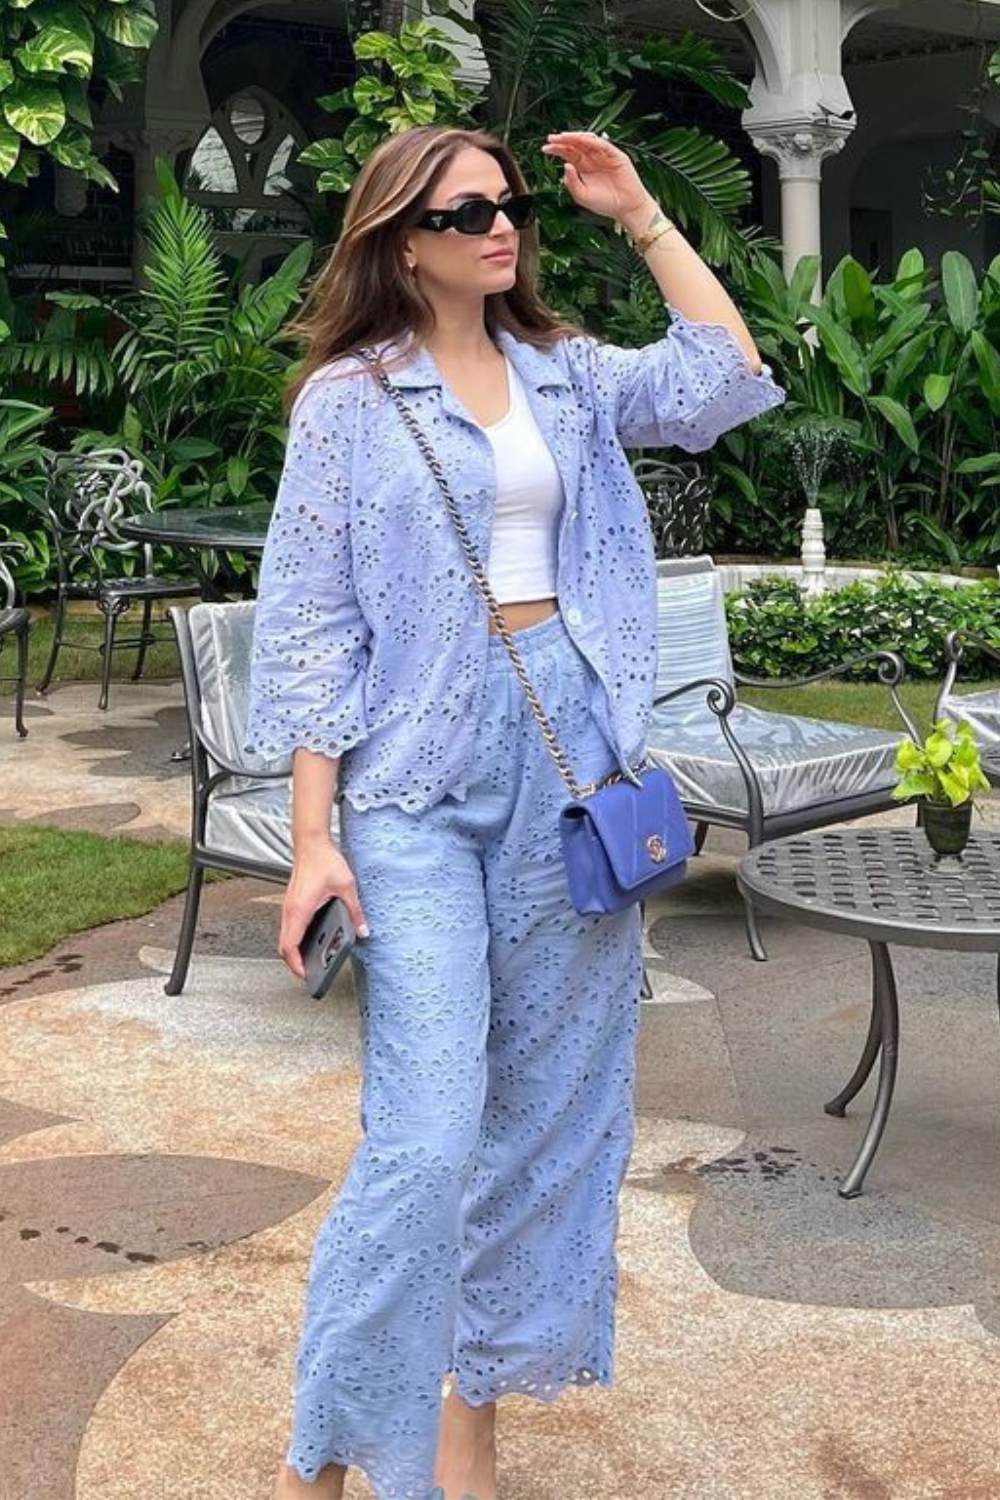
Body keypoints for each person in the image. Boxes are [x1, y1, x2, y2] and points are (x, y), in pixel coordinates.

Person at [247, 123, 783, 1500]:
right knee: (424, 1139)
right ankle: (330, 1452)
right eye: (466, 211)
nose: (502, 226)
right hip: (414, 780)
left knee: (547, 1118)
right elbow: (310, 631)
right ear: (401, 241)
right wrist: (313, 840)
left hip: (570, 758)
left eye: (512, 204)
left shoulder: (570, 374)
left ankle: (467, 1419)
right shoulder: (350, 404)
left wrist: (642, 215)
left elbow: (728, 379)